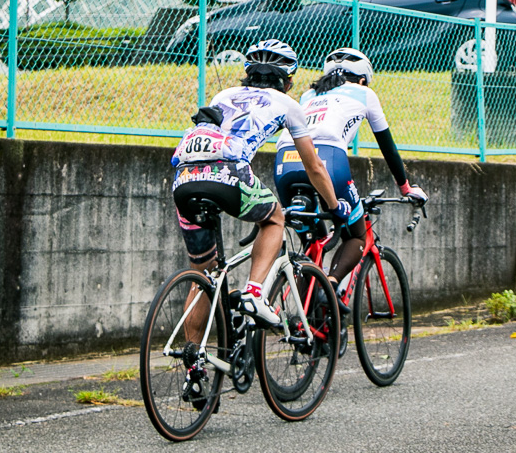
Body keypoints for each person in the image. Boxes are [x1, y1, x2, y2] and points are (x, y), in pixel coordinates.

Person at [170, 39, 343, 326]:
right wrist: (334, 206)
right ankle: (253, 293)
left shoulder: (223, 95)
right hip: (228, 175)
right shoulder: (288, 103)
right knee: (274, 218)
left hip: (184, 180)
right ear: (288, 81)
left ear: (248, 71)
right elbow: (313, 166)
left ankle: (194, 364)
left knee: (202, 275)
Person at [274, 47, 428, 303]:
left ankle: (307, 321)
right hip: (329, 161)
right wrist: (405, 187)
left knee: (314, 241)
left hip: (285, 162)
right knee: (355, 233)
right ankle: (330, 291)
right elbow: (387, 145)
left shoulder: (308, 94)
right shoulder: (364, 93)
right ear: (363, 79)